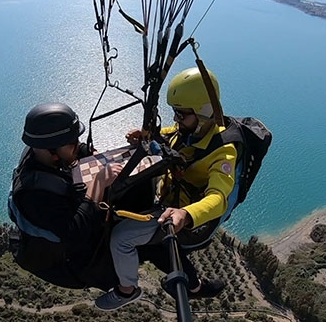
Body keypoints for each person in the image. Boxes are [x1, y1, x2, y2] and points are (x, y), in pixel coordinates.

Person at [95, 67, 237, 311]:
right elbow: (169, 135)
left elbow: (218, 198)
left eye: (181, 114)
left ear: (203, 113)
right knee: (158, 249)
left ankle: (126, 290)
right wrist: (148, 136)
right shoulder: (189, 132)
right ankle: (195, 287)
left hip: (178, 215)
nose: (176, 120)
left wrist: (187, 214)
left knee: (121, 239)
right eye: (175, 113)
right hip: (166, 200)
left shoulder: (223, 152)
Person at [7, 102, 124, 290]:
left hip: (61, 229)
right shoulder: (34, 194)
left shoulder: (37, 151)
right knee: (117, 269)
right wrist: (98, 184)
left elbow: (74, 152)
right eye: (72, 143)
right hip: (63, 266)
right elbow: (75, 234)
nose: (78, 145)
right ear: (50, 150)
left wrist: (94, 156)